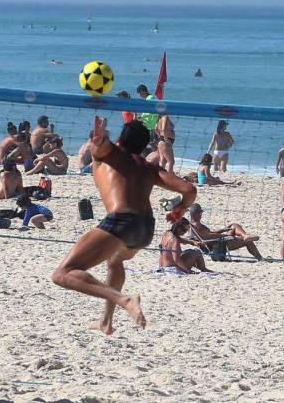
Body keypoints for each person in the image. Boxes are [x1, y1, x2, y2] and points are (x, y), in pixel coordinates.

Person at [51, 117, 196, 335]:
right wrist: (181, 209)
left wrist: (99, 136)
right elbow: (189, 190)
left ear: (119, 139)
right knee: (115, 259)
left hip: (123, 221)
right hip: (145, 229)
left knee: (63, 274)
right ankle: (106, 322)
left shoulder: (110, 154)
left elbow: (99, 147)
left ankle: (124, 300)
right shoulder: (148, 167)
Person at [187, 203, 262, 260]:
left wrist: (222, 230)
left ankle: (245, 236)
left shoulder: (191, 226)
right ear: (196, 214)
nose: (201, 215)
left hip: (217, 242)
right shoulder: (197, 225)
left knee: (233, 226)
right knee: (248, 241)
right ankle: (260, 258)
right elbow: (209, 236)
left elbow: (208, 234)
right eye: (200, 213)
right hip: (219, 244)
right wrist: (224, 236)